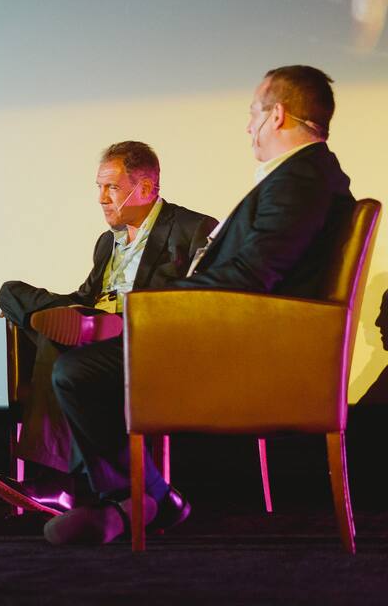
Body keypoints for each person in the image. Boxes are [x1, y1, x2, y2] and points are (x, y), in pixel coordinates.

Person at [44, 65, 355, 545]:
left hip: (246, 351)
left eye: (253, 113)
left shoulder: (300, 180)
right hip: (244, 335)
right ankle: (142, 499)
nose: (248, 126)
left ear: (276, 115)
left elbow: (249, 277)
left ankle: (142, 498)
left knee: (77, 372)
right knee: (81, 363)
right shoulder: (308, 176)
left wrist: (152, 308)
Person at [0, 141, 216, 516]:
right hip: (92, 325)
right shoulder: (107, 242)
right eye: (99, 187)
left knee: (59, 342)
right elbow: (87, 294)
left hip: (142, 338)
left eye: (111, 187)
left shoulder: (192, 228)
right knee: (12, 293)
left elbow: (200, 302)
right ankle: (74, 327)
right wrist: (60, 312)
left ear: (145, 188)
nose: (101, 198)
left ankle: (58, 485)